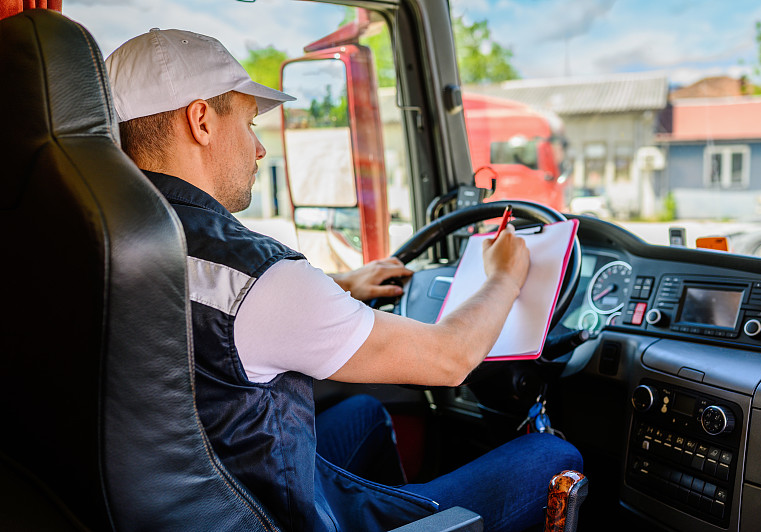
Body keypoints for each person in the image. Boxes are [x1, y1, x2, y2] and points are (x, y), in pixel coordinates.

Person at [105, 28, 582, 532]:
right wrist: (505, 278)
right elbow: (451, 358)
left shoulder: (113, 240)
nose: (260, 148)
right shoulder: (259, 278)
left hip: (199, 494)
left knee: (363, 413)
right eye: (248, 123)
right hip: (270, 516)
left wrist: (342, 284)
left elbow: (202, 298)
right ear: (200, 121)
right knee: (551, 455)